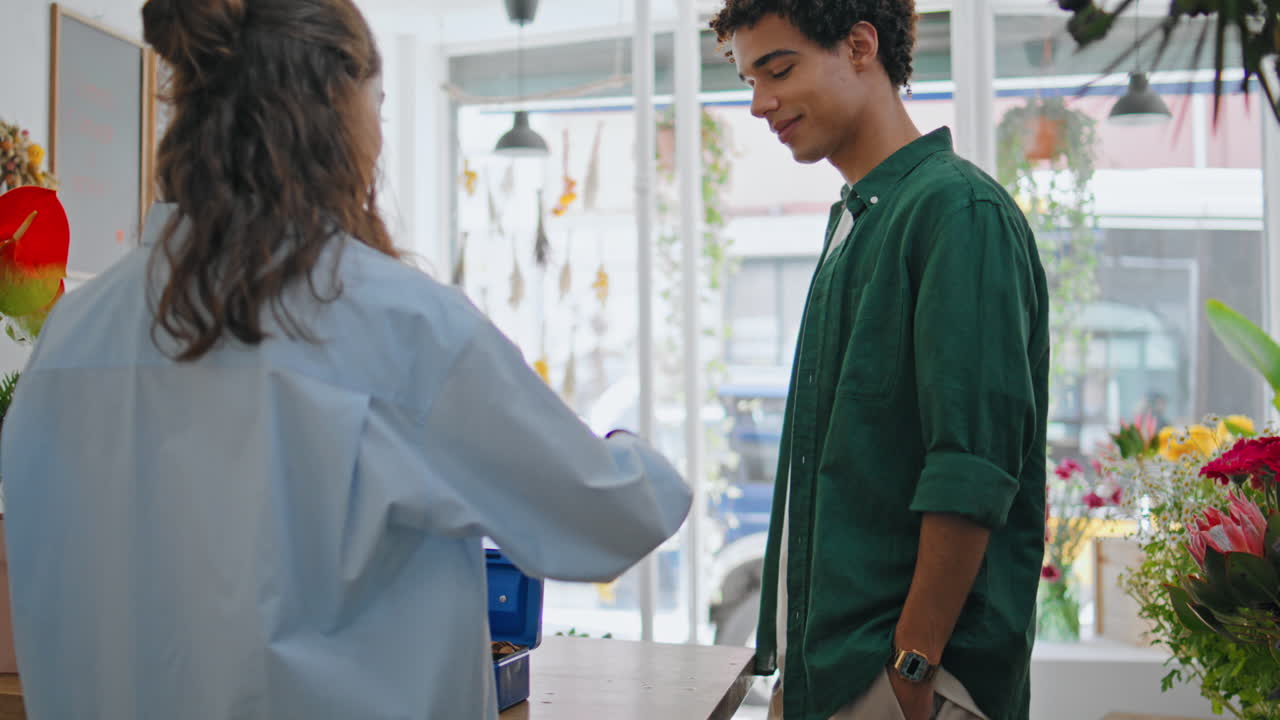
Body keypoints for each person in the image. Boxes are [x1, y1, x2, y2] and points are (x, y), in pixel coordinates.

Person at [0, 1, 691, 718]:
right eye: (378, 104)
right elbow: (607, 516)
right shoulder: (394, 325)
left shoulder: (69, 338)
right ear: (337, 108)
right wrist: (636, 451)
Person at [708, 2, 1049, 720]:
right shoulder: (859, 219)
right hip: (833, 676)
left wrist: (910, 669)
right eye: (748, 80)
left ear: (861, 46)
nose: (759, 103)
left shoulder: (958, 212)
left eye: (779, 69)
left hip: (909, 681)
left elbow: (972, 466)